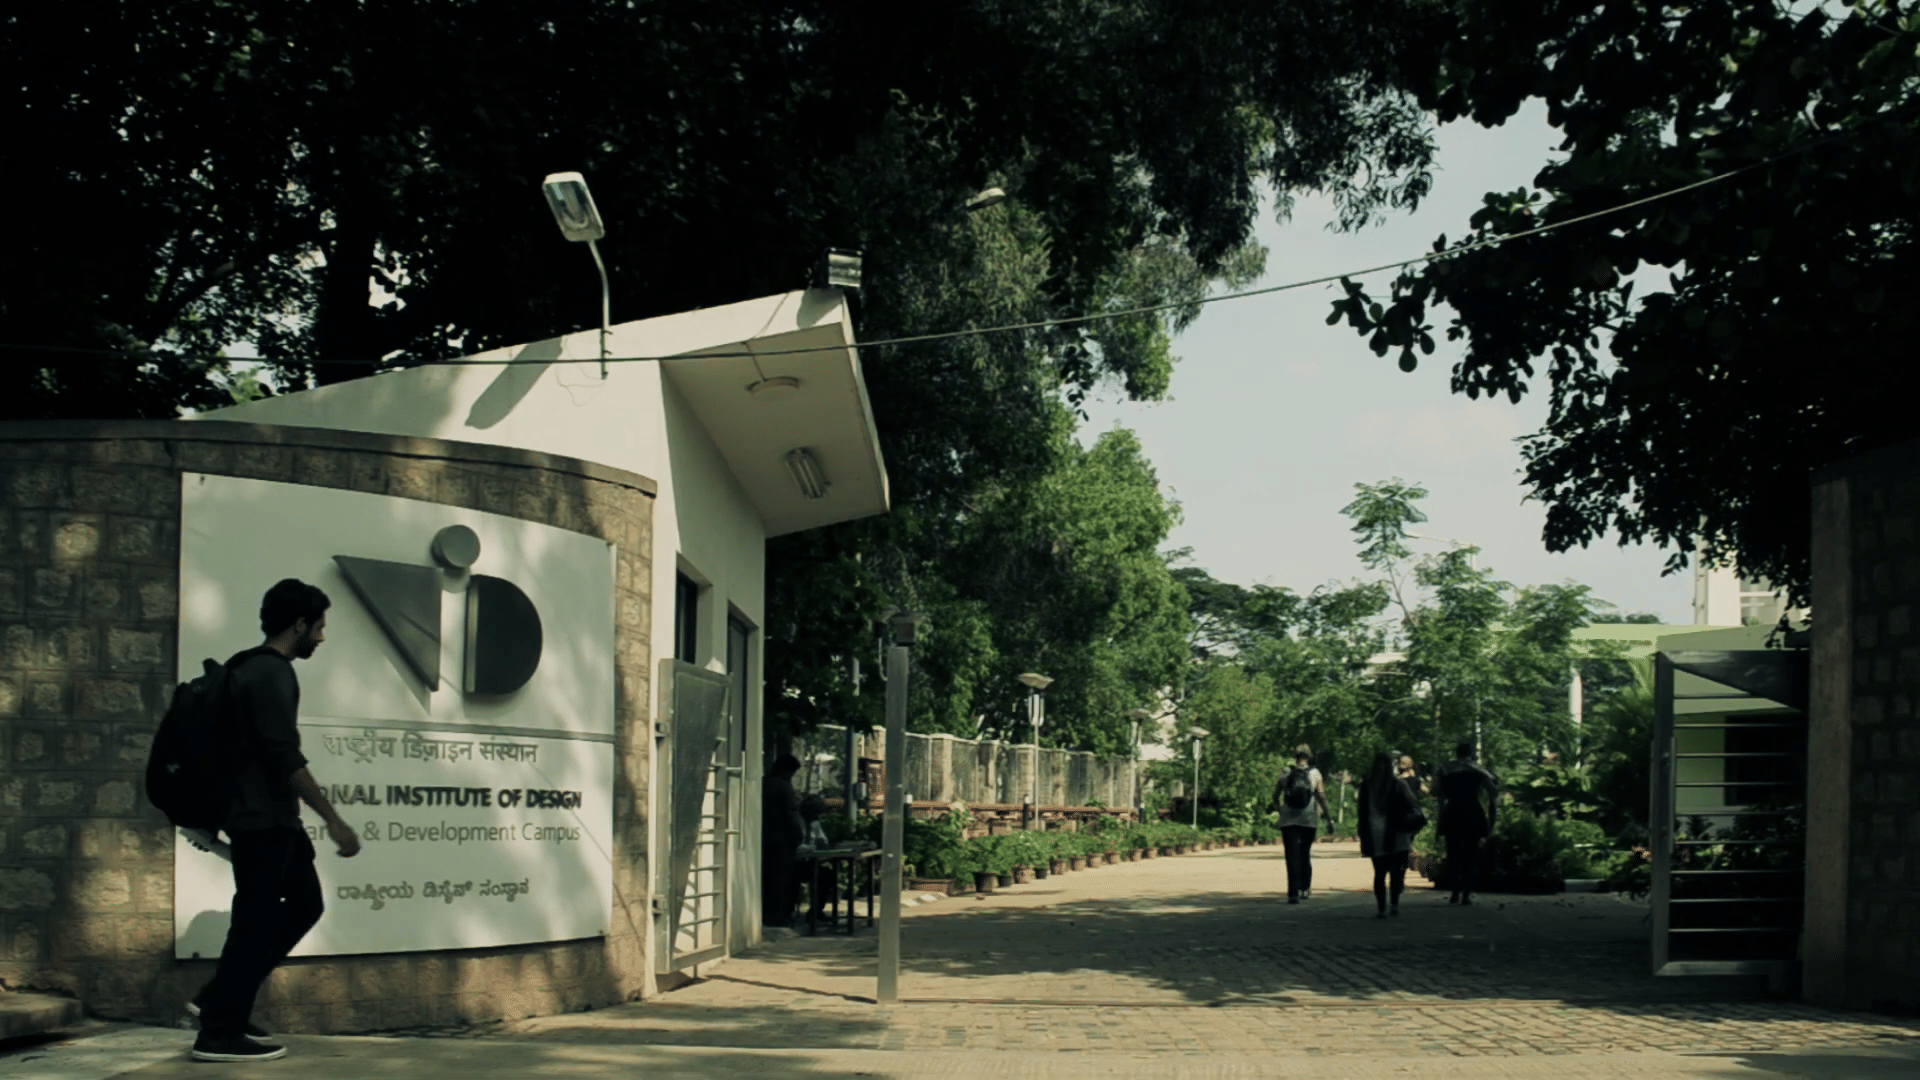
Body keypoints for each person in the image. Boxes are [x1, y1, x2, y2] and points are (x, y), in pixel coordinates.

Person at [191, 579, 360, 1063]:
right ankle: (218, 1031)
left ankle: (221, 1001)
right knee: (253, 922)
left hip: (270, 821)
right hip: (261, 821)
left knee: (304, 904)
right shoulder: (269, 673)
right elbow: (282, 755)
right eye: (320, 627)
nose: (322, 638)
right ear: (299, 625)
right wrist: (333, 819)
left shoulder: (249, 669)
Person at [1435, 740, 1500, 906]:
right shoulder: (1479, 771)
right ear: (1471, 753)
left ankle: (1455, 891)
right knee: (1471, 855)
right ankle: (1466, 893)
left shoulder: (1446, 769)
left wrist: (1439, 821)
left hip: (1453, 812)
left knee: (1453, 853)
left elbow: (1440, 798)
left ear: (1457, 753)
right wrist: (1492, 819)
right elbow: (1493, 792)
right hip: (1473, 811)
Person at [1356, 750, 1420, 918]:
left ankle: (1381, 907)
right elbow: (1412, 805)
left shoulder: (1367, 785)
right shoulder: (1397, 784)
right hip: (1396, 832)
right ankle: (1394, 903)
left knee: (1379, 872)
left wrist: (1362, 832)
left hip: (1374, 833)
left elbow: (1361, 811)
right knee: (1397, 871)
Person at [1270, 744, 1330, 904]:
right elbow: (1321, 797)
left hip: (1288, 819)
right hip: (1308, 819)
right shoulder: (1315, 774)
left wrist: (1280, 810)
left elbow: (1275, 796)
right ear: (1309, 757)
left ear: (1295, 756)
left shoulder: (1286, 772)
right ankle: (1304, 888)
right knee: (1304, 853)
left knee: (1291, 855)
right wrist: (1329, 817)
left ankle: (1292, 893)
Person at [761, 754, 806, 927]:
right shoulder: (784, 787)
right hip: (782, 842)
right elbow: (791, 813)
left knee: (768, 879)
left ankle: (769, 914)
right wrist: (798, 835)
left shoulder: (764, 784)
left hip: (765, 839)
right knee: (783, 881)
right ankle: (780, 916)